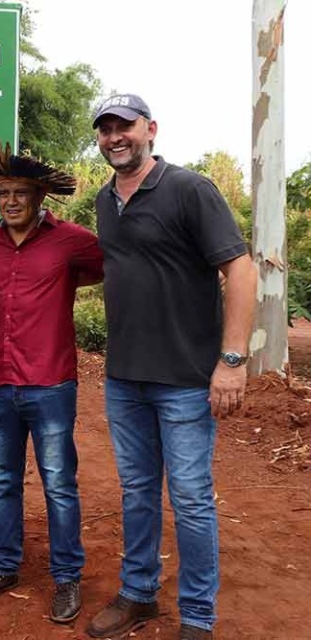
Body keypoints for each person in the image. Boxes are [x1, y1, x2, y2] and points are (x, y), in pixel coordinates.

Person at [85, 94, 257, 640]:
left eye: (125, 127)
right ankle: (139, 595)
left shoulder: (189, 189)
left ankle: (198, 618)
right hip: (125, 378)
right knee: (137, 493)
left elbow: (241, 269)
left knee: (189, 499)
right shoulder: (104, 200)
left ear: (150, 129)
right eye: (105, 129)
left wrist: (231, 361)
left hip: (185, 380)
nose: (115, 137)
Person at [0, 139, 103, 623]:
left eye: (21, 191)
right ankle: (4, 567)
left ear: (41, 196)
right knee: (3, 482)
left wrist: (60, 281)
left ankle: (66, 578)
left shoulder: (73, 240)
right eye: (3, 193)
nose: (12, 200)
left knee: (59, 483)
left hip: (51, 382)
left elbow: (104, 268)